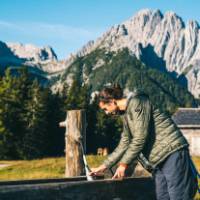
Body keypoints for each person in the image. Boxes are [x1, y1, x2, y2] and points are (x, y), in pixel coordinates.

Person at [90, 84, 198, 200]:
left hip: (172, 153)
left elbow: (140, 137)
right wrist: (103, 166)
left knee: (178, 196)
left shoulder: (137, 102)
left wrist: (123, 164)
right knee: (162, 196)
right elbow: (124, 143)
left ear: (111, 101)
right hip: (158, 160)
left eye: (105, 109)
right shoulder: (127, 115)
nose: (106, 113)